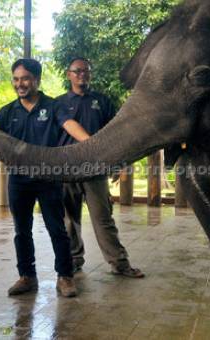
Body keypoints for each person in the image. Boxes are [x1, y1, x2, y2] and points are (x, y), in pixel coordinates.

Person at [0, 59, 91, 298]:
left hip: (48, 178)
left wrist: (91, 144)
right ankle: (27, 277)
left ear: (37, 81)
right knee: (22, 230)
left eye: (26, 79)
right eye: (17, 79)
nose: (20, 84)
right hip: (19, 180)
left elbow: (70, 124)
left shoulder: (52, 106)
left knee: (57, 229)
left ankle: (65, 277)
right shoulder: (7, 113)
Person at [57, 57, 144, 278]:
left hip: (95, 169)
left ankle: (119, 263)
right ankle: (74, 259)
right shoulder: (58, 103)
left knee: (103, 218)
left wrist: (117, 162)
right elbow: (64, 129)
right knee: (69, 219)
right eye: (77, 71)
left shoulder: (102, 102)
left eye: (86, 71)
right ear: (69, 75)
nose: (82, 75)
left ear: (90, 74)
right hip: (66, 168)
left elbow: (115, 134)